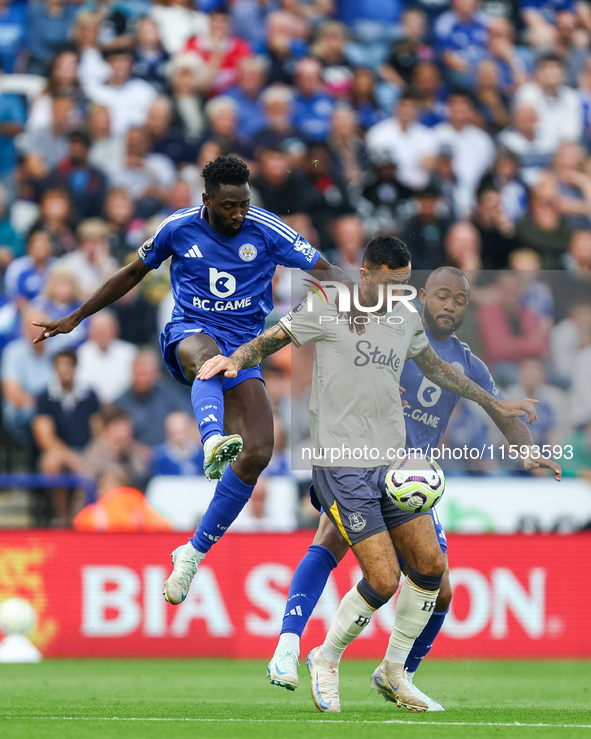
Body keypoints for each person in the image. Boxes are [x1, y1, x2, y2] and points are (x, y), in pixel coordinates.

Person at [199, 240, 559, 713]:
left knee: (431, 572)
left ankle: (394, 671)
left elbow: (443, 372)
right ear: (368, 275)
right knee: (365, 565)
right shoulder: (334, 306)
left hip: (401, 470)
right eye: (435, 293)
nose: (444, 304)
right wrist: (237, 359)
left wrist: (508, 422)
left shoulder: (421, 331)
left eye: (459, 299)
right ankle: (306, 651)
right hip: (343, 458)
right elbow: (277, 337)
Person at [31, 154, 354, 603]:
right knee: (206, 354)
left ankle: (193, 552)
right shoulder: (178, 227)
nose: (237, 214)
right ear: (206, 201)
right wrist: (77, 316)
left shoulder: (267, 227)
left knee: (259, 450)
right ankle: (210, 441)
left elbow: (330, 274)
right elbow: (131, 274)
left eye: (242, 204)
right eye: (228, 206)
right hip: (190, 334)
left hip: (246, 349)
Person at [32, 349, 100, 525]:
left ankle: (84, 518)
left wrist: (87, 456)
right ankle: (64, 516)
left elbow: (98, 431)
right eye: (60, 366)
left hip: (86, 449)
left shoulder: (90, 395)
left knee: (96, 463)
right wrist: (71, 458)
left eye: (68, 365)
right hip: (61, 452)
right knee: (52, 463)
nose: (64, 370)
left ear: (75, 368)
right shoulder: (44, 397)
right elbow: (45, 438)